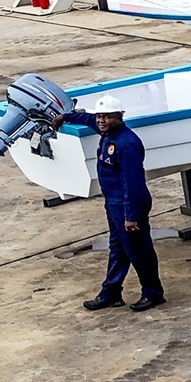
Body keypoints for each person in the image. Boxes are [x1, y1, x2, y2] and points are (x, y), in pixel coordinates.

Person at [66, 95, 165, 313]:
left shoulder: (126, 144)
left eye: (106, 117)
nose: (100, 120)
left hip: (127, 205)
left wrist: (131, 216)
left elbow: (133, 184)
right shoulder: (107, 132)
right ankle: (110, 292)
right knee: (118, 249)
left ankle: (153, 292)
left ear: (119, 118)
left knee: (139, 251)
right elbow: (89, 120)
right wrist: (65, 117)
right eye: (99, 116)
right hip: (113, 203)